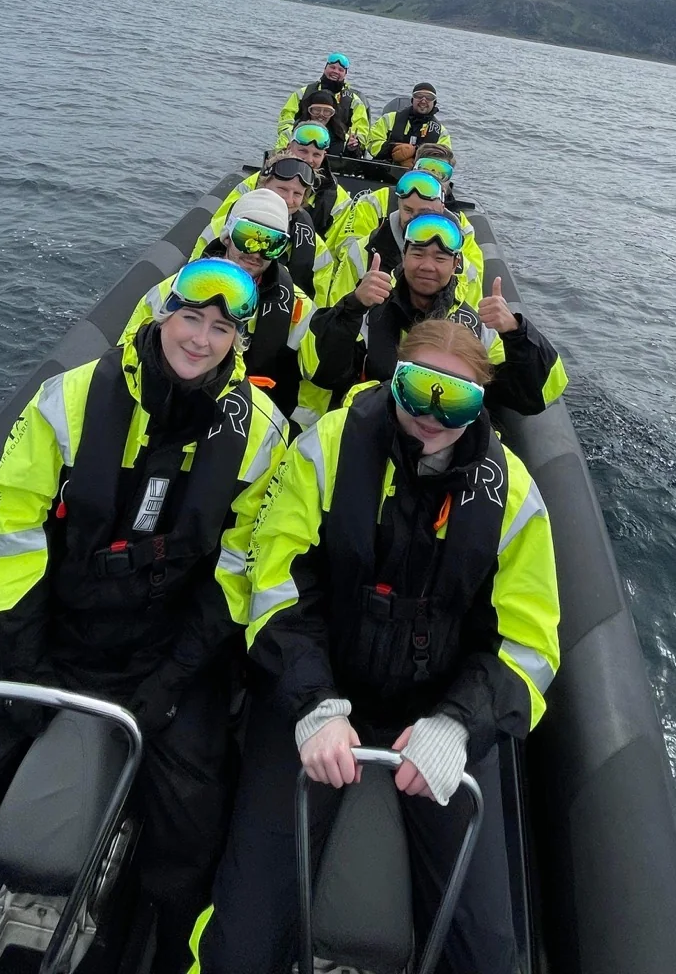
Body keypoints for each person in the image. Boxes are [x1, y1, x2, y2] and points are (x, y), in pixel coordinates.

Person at [0, 260, 287, 974]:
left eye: (222, 328)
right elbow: (7, 527)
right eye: (191, 318)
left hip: (166, 659)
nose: (201, 338)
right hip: (49, 639)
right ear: (161, 317)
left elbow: (243, 567)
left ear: (238, 342)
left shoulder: (261, 435)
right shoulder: (66, 402)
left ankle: (154, 951)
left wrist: (178, 673)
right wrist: (28, 657)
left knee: (195, 828)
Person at [197, 319, 560, 974]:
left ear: (481, 401)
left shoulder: (515, 498)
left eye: (454, 400)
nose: (429, 415)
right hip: (316, 702)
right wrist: (313, 703)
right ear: (393, 379)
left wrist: (456, 725)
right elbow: (276, 580)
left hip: (437, 721)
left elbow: (527, 642)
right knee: (241, 942)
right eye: (416, 390)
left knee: (486, 953)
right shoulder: (326, 449)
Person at [301, 212, 568, 414]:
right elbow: (321, 372)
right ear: (403, 256)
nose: (427, 266)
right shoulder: (368, 310)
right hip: (373, 430)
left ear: (456, 265)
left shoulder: (476, 325)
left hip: (446, 439)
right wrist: (351, 307)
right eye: (418, 254)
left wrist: (516, 333)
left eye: (440, 258)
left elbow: (536, 396)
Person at [124, 191, 315, 422]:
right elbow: (130, 350)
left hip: (244, 419)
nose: (256, 252)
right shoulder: (172, 289)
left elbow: (318, 374)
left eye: (271, 244)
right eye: (247, 238)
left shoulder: (299, 306)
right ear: (227, 236)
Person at [331, 169, 486, 307]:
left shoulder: (464, 266)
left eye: (424, 211)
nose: (415, 218)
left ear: (441, 208)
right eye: (408, 210)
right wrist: (356, 301)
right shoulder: (363, 251)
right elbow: (334, 309)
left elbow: (471, 317)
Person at [193, 158, 334, 307]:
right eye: (282, 189)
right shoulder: (218, 227)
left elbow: (318, 306)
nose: (288, 199)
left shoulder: (317, 249)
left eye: (297, 194)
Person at [276, 54, 369, 155]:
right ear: (325, 69)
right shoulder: (303, 93)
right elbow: (286, 120)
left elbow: (361, 130)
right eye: (332, 67)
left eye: (340, 70)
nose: (336, 71)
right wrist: (291, 139)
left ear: (345, 74)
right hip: (302, 140)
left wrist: (351, 143)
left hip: (337, 148)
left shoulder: (354, 101)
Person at [283, 120, 353, 239]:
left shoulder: (338, 198)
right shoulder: (262, 179)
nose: (309, 160)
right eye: (303, 151)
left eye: (316, 155)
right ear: (289, 147)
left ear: (324, 156)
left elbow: (339, 244)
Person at [369, 82, 451, 164]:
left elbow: (445, 159)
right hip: (385, 169)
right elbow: (371, 142)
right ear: (412, 100)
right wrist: (392, 149)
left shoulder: (441, 132)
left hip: (421, 174)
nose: (423, 101)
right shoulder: (389, 119)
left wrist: (416, 152)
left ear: (434, 103)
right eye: (419, 96)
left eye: (429, 97)